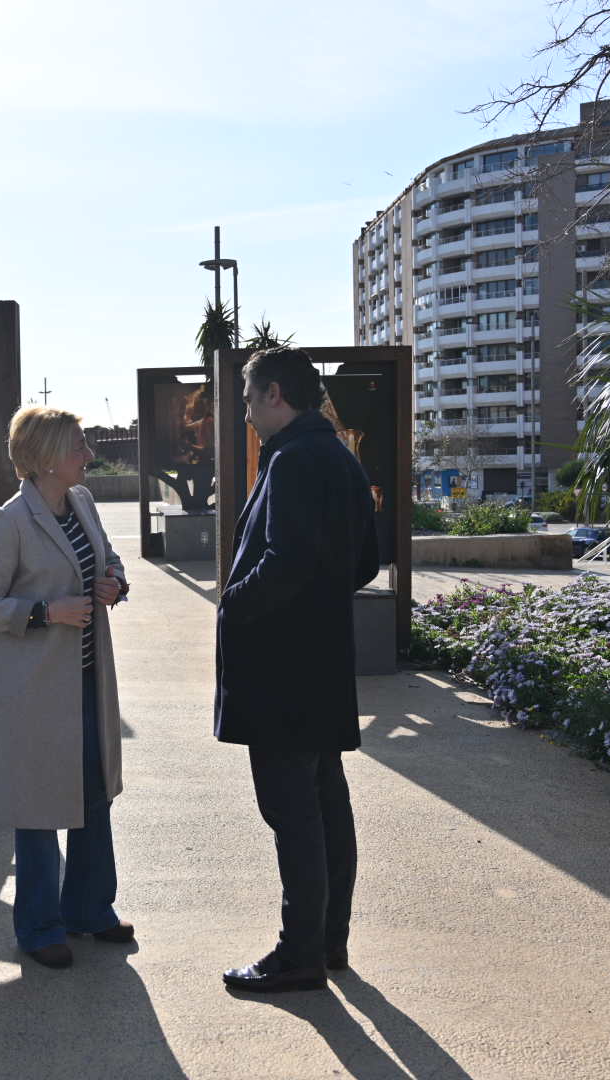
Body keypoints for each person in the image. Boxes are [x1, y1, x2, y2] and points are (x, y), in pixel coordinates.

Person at [214, 346, 379, 994]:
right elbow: (364, 560)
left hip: (282, 670)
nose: (249, 414)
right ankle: (328, 941)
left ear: (276, 394)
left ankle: (299, 952)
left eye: (251, 400)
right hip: (323, 664)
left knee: (294, 815)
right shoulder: (337, 455)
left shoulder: (291, 460)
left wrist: (236, 600)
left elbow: (283, 559)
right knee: (325, 806)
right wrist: (319, 597)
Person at [0, 406, 132, 969]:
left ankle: (90, 910)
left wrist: (115, 582)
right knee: (38, 809)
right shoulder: (9, 521)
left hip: (85, 682)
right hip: (35, 692)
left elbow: (107, 560)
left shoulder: (81, 502)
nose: (88, 454)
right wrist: (44, 611)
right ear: (46, 458)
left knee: (93, 797)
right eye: (78, 446)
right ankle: (39, 927)